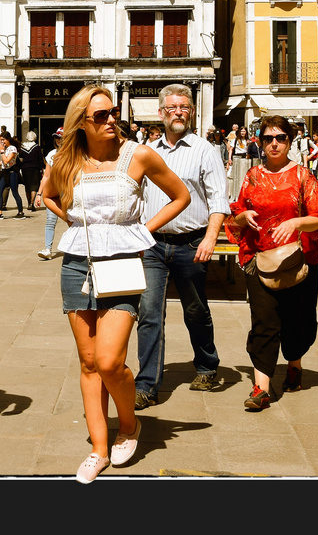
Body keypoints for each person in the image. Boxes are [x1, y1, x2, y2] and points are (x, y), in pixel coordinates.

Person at [41, 86, 190, 483]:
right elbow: (47, 194)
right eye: (101, 116)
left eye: (113, 113)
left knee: (110, 361)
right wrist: (76, 222)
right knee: (89, 363)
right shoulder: (65, 160)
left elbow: (180, 196)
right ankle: (98, 448)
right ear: (81, 123)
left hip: (123, 264)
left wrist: (143, 230)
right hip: (77, 264)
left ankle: (129, 424)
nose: (111, 121)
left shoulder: (137, 154)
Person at [227, 115, 318, 411]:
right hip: (259, 258)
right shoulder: (253, 175)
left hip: (300, 261)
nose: (274, 144)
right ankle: (261, 388)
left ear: (290, 142)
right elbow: (238, 214)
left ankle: (294, 364)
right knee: (264, 323)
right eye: (268, 139)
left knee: (298, 321)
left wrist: (295, 222)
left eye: (280, 138)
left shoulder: (303, 176)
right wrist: (245, 217)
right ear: (260, 142)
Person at [134, 85, 229, 408]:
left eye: (184, 107)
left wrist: (211, 238)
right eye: (172, 107)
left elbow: (219, 200)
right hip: (153, 246)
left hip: (192, 242)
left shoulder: (205, 150)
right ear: (161, 113)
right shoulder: (146, 151)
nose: (178, 112)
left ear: (191, 112)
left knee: (195, 310)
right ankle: (146, 384)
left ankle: (206, 364)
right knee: (149, 313)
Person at [35, 128, 65, 259]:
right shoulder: (52, 154)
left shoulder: (74, 153)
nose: (59, 140)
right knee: (50, 220)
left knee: (74, 220)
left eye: (61, 137)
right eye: (57, 137)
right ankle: (48, 249)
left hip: (68, 191)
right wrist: (39, 193)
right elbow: (46, 176)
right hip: (53, 192)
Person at [0, 131, 23, 219]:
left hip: (12, 173)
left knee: (15, 192)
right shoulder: (6, 148)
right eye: (0, 140)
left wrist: (2, 152)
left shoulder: (12, 149)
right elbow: (4, 162)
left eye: (3, 140)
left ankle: (21, 211)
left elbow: (7, 160)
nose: (1, 142)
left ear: (8, 139)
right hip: (5, 172)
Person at [20, 131, 44, 212]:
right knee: (34, 186)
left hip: (25, 168)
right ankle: (31, 203)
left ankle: (28, 203)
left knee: (27, 186)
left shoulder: (22, 147)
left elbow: (20, 158)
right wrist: (42, 168)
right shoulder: (37, 147)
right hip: (35, 168)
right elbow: (40, 159)